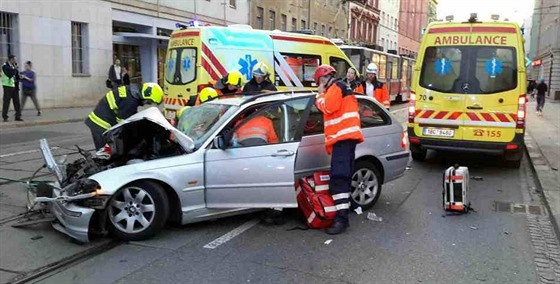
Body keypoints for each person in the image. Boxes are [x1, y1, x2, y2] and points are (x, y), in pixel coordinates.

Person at [314, 64, 364, 235]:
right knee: (345, 175)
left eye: (319, 82)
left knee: (339, 177)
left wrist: (320, 94)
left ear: (323, 79)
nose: (319, 85)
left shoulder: (335, 87)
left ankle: (342, 219)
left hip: (342, 139)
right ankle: (347, 208)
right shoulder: (343, 86)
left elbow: (328, 107)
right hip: (347, 138)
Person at [85, 82, 163, 149]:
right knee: (105, 153)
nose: (146, 104)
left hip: (100, 120)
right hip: (100, 124)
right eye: (148, 102)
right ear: (146, 95)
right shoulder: (130, 101)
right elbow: (123, 123)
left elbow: (130, 116)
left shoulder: (131, 91)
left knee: (108, 151)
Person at [2, 55, 22, 122]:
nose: (16, 61)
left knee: (17, 102)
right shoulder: (5, 66)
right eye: (15, 59)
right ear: (11, 59)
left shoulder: (14, 65)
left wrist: (19, 77)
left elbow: (16, 75)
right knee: (6, 102)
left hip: (15, 86)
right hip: (7, 86)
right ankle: (5, 117)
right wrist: (15, 69)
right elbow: (10, 75)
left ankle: (18, 116)